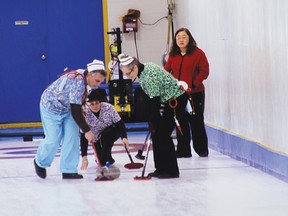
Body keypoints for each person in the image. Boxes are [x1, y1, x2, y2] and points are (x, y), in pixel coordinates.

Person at [118, 53, 189, 179]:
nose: (127, 76)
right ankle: (160, 168)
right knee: (156, 135)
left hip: (176, 100)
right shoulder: (145, 67)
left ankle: (172, 170)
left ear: (135, 68)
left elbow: (154, 102)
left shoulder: (148, 77)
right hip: (166, 100)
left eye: (128, 73)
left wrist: (153, 121)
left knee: (163, 135)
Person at [34, 59, 107, 179]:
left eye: (100, 82)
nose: (98, 84)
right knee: (53, 139)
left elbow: (78, 106)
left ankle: (68, 169)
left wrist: (84, 126)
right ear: (89, 74)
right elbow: (75, 109)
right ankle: (40, 162)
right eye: (97, 81)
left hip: (67, 109)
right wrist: (87, 131)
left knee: (72, 138)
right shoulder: (77, 80)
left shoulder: (87, 82)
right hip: (51, 107)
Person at [164, 27, 209, 158]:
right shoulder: (173, 55)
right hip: (178, 94)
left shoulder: (198, 53)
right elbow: (166, 71)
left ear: (189, 39)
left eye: (184, 37)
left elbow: (204, 71)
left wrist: (194, 83)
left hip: (195, 93)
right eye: (178, 37)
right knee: (181, 121)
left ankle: (202, 149)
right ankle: (183, 150)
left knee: (196, 121)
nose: (181, 40)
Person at [79, 89, 129, 170]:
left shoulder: (109, 107)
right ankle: (108, 158)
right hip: (96, 137)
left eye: (97, 103)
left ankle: (105, 159)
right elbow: (83, 137)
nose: (95, 106)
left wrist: (124, 137)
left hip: (111, 132)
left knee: (106, 138)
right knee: (101, 156)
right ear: (88, 104)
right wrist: (84, 158)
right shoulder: (85, 113)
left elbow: (120, 124)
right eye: (92, 104)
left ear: (100, 102)